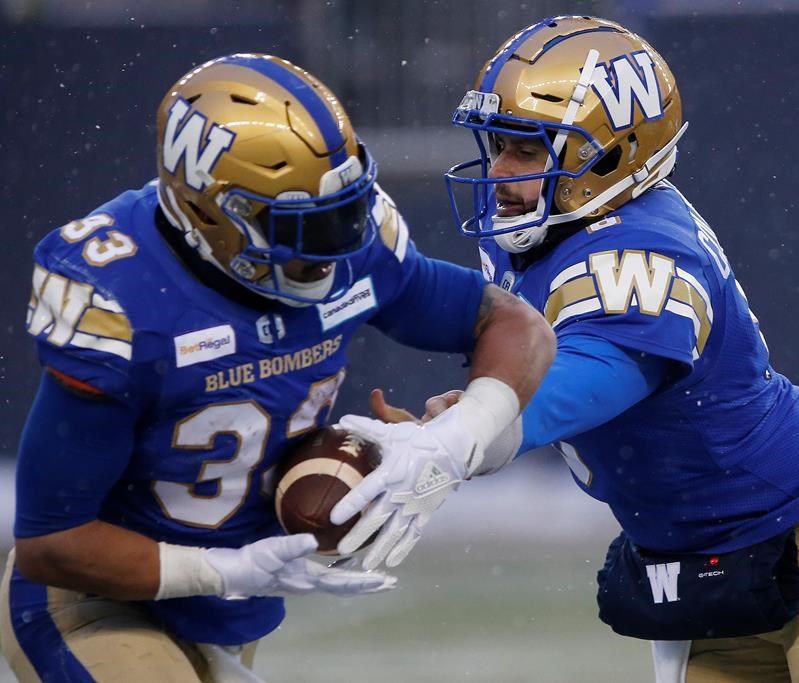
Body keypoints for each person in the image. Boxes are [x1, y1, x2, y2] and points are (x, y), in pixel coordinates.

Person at [329, 16, 799, 683]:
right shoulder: (529, 232)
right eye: (497, 143)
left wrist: (463, 434)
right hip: (703, 567)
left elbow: (593, 378)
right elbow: (526, 382)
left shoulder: (645, 249)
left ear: (610, 156)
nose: (498, 170)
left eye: (525, 151)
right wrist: (452, 429)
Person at [1, 53, 554, 682]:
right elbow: (53, 543)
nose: (338, 246)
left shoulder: (351, 248)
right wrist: (224, 570)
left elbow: (514, 324)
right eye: (305, 225)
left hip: (234, 611)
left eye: (345, 211)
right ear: (210, 213)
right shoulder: (125, 300)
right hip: (97, 600)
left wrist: (454, 441)